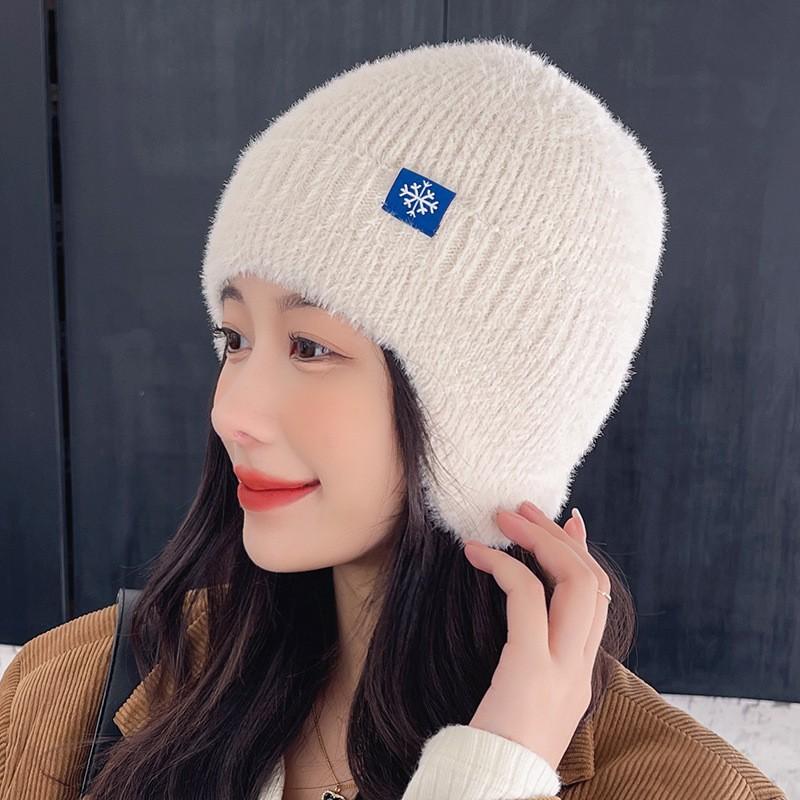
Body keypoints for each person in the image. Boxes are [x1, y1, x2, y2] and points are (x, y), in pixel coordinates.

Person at [0, 36, 787, 800]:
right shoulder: (65, 693)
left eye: (310, 347)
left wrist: (499, 772)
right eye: (234, 339)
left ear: (494, 406)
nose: (230, 411)